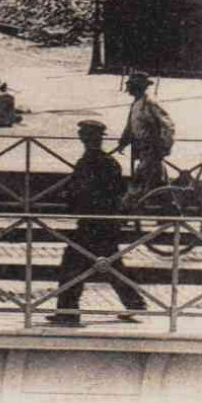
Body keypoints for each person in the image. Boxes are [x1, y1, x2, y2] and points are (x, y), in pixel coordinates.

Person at [47, 120, 147, 327]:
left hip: (93, 222)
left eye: (85, 135)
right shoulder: (107, 162)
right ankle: (134, 302)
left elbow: (82, 192)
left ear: (88, 138)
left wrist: (69, 198)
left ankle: (68, 312)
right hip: (104, 223)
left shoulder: (90, 162)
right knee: (110, 264)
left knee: (72, 264)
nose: (84, 139)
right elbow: (118, 191)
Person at [115, 73, 173, 196]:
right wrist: (123, 142)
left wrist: (164, 147)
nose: (129, 89)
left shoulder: (150, 103)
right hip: (141, 149)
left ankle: (136, 206)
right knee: (154, 180)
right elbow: (130, 126)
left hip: (152, 149)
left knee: (144, 180)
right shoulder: (136, 104)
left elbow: (167, 125)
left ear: (138, 88)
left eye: (131, 86)